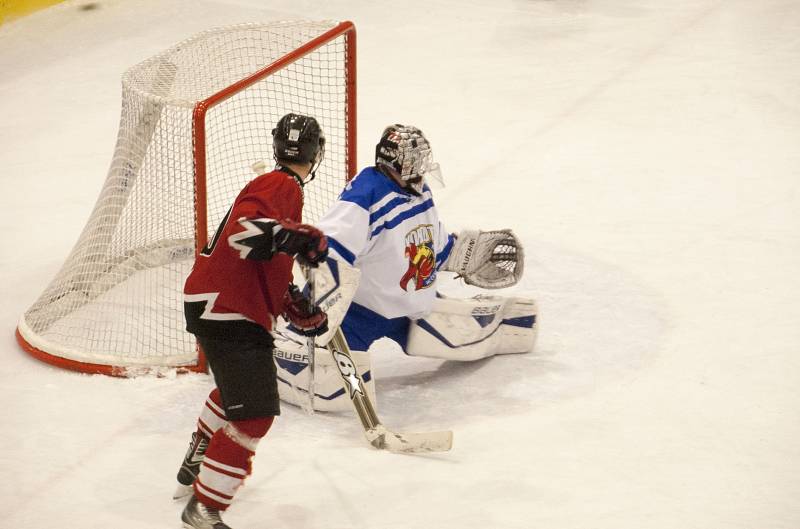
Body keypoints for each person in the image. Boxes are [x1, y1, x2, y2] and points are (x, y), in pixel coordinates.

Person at [274, 124, 535, 413]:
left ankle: (503, 321)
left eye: (422, 163)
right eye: (414, 164)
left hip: (413, 308)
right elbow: (325, 248)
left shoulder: (419, 191)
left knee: (470, 339)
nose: (420, 172)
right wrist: (320, 300)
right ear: (393, 163)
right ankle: (283, 350)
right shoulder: (366, 196)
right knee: (335, 391)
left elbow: (431, 243)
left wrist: (460, 254)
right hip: (359, 315)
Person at [174, 113, 330, 529]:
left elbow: (261, 258)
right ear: (316, 153)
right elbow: (244, 235)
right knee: (255, 413)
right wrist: (294, 237)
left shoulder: (280, 190)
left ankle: (200, 454)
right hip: (229, 308)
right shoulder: (281, 184)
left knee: (239, 391)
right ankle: (205, 509)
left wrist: (291, 301)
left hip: (219, 302)